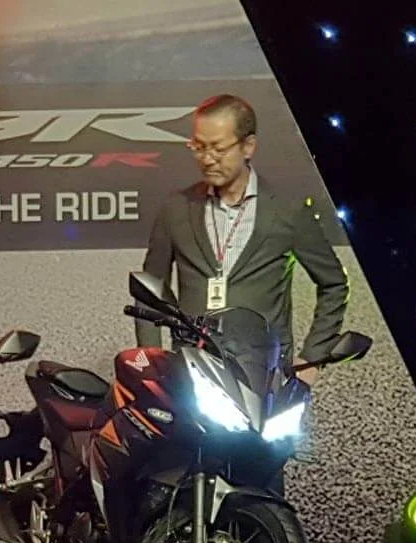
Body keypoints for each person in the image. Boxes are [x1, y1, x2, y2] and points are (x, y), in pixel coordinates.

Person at [133, 94, 350, 493]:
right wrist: (153, 361)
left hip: (262, 380)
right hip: (189, 377)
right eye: (198, 147)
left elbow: (334, 283)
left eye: (218, 148)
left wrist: (311, 360)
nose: (207, 158)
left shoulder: (288, 210)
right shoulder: (176, 208)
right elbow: (151, 290)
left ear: (248, 146)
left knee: (260, 496)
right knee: (180, 490)